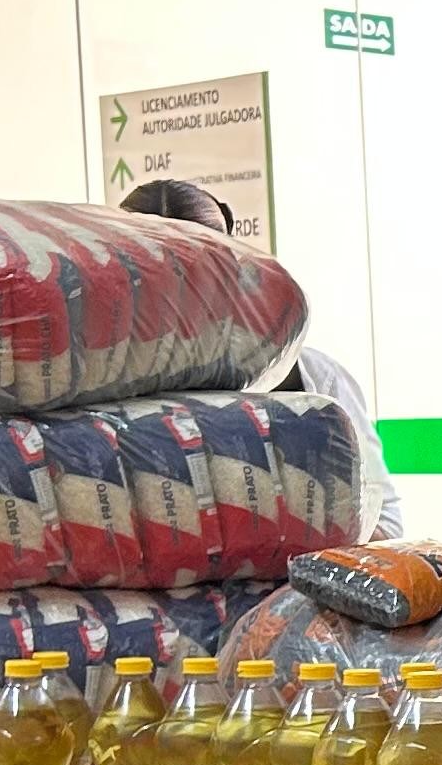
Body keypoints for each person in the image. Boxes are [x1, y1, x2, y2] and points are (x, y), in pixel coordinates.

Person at [114, 179, 402, 540]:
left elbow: (386, 521)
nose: (178, 301)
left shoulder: (312, 378)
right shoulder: (91, 385)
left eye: (195, 277)